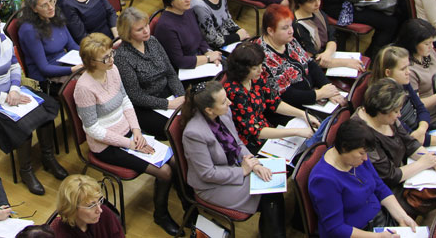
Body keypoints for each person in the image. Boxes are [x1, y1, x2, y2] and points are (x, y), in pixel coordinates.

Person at [73, 33, 180, 236]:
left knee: (174, 160)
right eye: (105, 58)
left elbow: (125, 101)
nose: (111, 60)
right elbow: (92, 128)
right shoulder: (84, 88)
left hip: (129, 133)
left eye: (111, 54)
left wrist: (137, 130)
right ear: (91, 62)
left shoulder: (112, 70)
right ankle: (161, 215)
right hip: (106, 146)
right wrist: (129, 143)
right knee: (165, 172)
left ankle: (188, 206)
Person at [0, 2, 66, 195]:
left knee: (46, 113)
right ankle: (26, 170)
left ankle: (48, 157)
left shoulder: (3, 38)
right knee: (21, 127)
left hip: (13, 91)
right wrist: (5, 97)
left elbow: (14, 66)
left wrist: (15, 90)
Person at [370, 45, 436, 198]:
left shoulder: (404, 82)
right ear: (388, 72)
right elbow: (408, 137)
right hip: (408, 145)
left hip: (421, 132)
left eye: (408, 66)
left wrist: (422, 127)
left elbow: (421, 108)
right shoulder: (384, 102)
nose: (408, 72)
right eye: (403, 69)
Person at [181, 79, 285, 238]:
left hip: (232, 168)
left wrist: (255, 164)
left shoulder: (223, 114)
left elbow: (237, 143)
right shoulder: (193, 133)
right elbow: (207, 174)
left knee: (272, 186)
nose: (229, 103)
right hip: (212, 186)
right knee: (269, 196)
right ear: (209, 110)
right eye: (224, 102)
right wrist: (243, 171)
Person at [349, 78, 436, 217]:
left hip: (403, 171)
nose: (399, 115)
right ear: (382, 111)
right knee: (433, 195)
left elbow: (410, 143)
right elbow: (390, 176)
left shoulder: (387, 118)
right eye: (396, 111)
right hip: (386, 189)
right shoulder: (362, 134)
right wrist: (423, 163)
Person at [308, 121, 417, 237]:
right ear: (344, 148)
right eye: (361, 153)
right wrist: (378, 236)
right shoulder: (324, 180)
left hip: (379, 218)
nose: (365, 158)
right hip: (357, 232)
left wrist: (402, 216)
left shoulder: (355, 158)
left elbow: (379, 186)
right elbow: (336, 228)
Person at [222, 42, 318, 154]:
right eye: (255, 68)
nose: (260, 70)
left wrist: (303, 115)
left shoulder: (255, 78)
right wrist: (296, 131)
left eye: (261, 65)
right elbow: (256, 131)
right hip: (249, 143)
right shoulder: (234, 92)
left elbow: (274, 102)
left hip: (266, 128)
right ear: (242, 69)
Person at [113, 7, 184, 139]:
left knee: (192, 113)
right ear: (127, 33)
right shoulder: (121, 57)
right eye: (140, 29)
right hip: (146, 105)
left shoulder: (152, 41)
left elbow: (170, 73)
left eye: (146, 25)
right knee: (174, 128)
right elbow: (135, 96)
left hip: (167, 92)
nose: (146, 30)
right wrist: (168, 104)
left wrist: (181, 96)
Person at [257, 4, 344, 108]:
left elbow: (310, 64)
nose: (291, 31)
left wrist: (328, 88)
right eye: (285, 28)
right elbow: (286, 95)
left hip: (311, 93)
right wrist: (320, 94)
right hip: (293, 105)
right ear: (270, 31)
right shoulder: (264, 57)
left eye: (291, 25)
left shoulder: (289, 41)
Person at [291, 0, 366, 71]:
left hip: (329, 56)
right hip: (317, 67)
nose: (317, 4)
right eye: (311, 1)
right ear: (299, 2)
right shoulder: (297, 26)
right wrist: (346, 62)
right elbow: (312, 60)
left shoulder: (318, 12)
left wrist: (328, 53)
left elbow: (331, 37)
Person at [17, 0, 81, 84]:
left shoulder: (55, 15)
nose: (51, 7)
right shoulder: (29, 30)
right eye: (44, 5)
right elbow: (44, 68)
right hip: (47, 78)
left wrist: (90, 56)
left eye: (51, 1)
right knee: (90, 78)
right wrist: (73, 70)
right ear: (34, 8)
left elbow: (72, 45)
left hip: (66, 64)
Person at [154, 0, 222, 70]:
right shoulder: (165, 27)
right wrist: (208, 58)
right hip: (184, 69)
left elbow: (200, 38)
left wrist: (209, 53)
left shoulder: (187, 10)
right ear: (171, 1)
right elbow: (180, 61)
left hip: (199, 58)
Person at [50, 174, 124, 238]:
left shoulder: (105, 214)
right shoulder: (59, 233)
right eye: (91, 205)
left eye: (99, 201)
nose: (100, 210)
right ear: (72, 208)